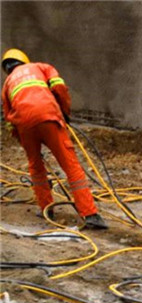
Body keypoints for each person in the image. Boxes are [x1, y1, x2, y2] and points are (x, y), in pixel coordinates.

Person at [1, 49, 107, 229]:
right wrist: (65, 113)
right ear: (25, 61)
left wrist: (25, 141)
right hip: (49, 117)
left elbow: (8, 119)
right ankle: (90, 215)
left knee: (36, 166)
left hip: (24, 125)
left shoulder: (7, 84)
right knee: (70, 165)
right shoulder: (41, 67)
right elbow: (59, 87)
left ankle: (46, 209)